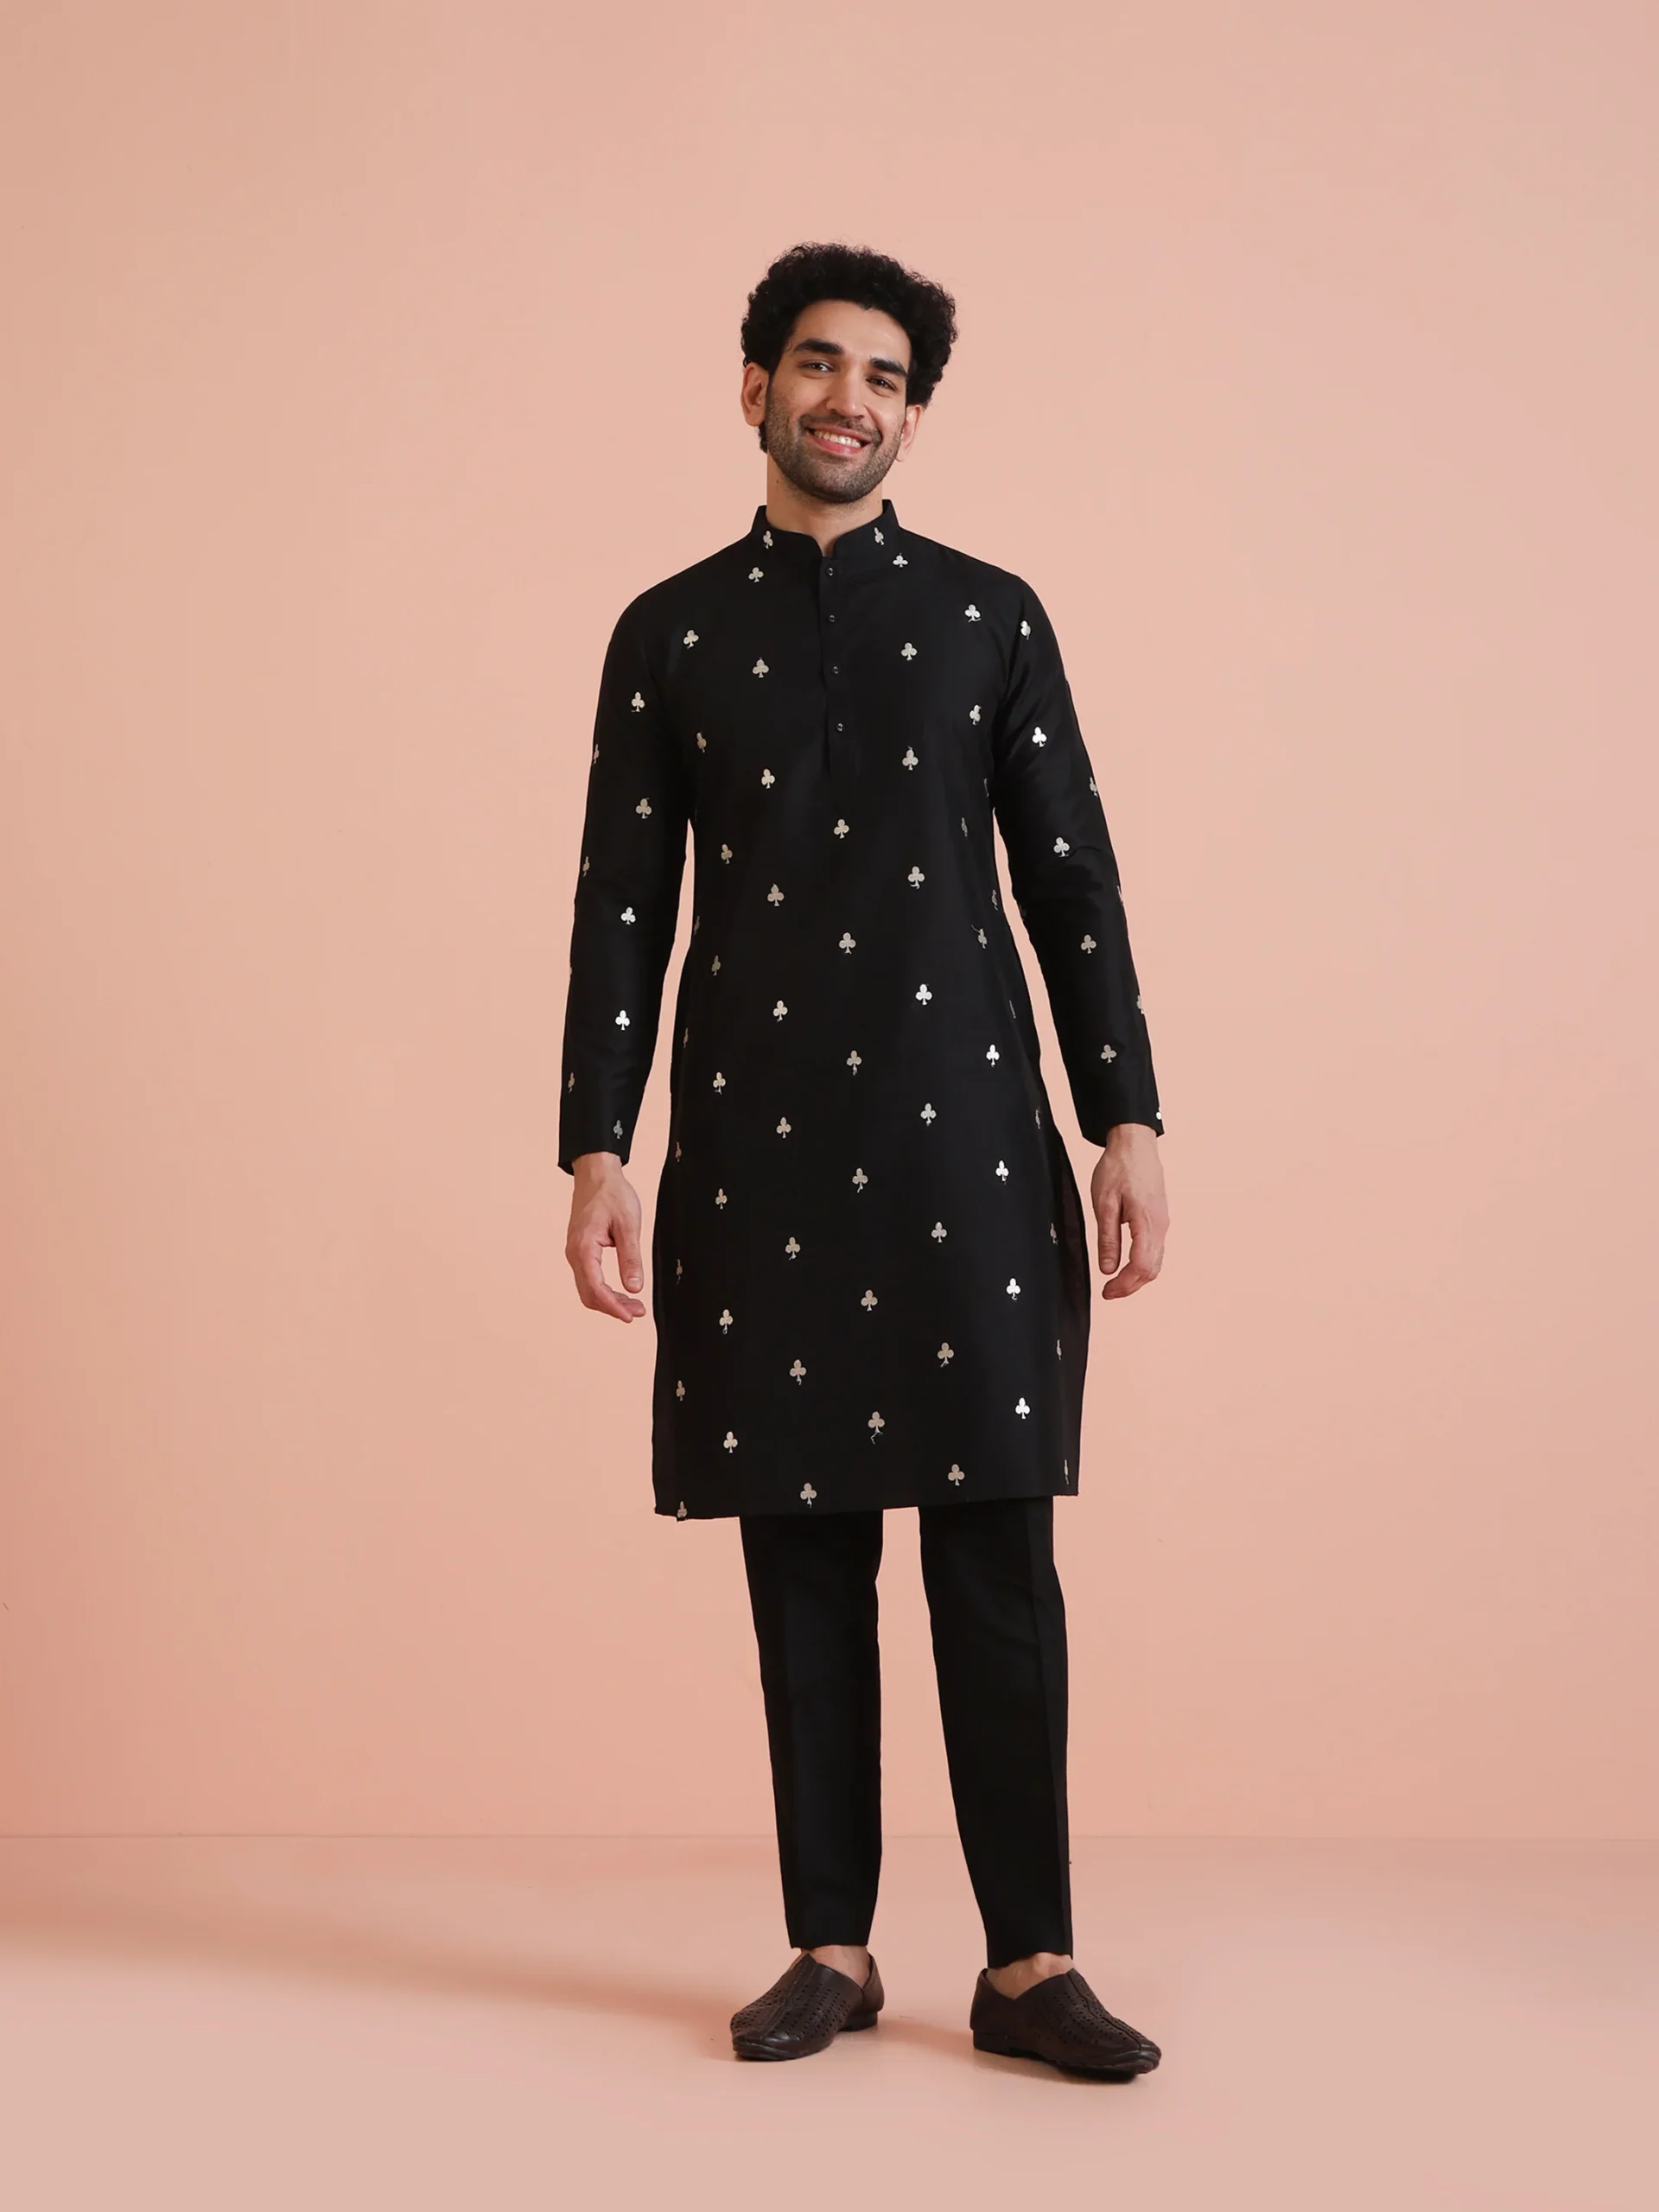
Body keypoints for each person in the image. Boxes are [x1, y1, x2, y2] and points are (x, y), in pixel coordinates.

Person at [560, 242, 1169, 2076]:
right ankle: (829, 1944)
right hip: (758, 1149)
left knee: (997, 1548)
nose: (851, 400)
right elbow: (620, 905)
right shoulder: (668, 633)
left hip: (967, 1139)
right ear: (756, 387)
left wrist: (1126, 1115)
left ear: (913, 415)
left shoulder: (991, 617)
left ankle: (1030, 1963)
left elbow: (1072, 878)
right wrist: (597, 1144)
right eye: (820, 365)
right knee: (802, 1551)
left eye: (886, 377)